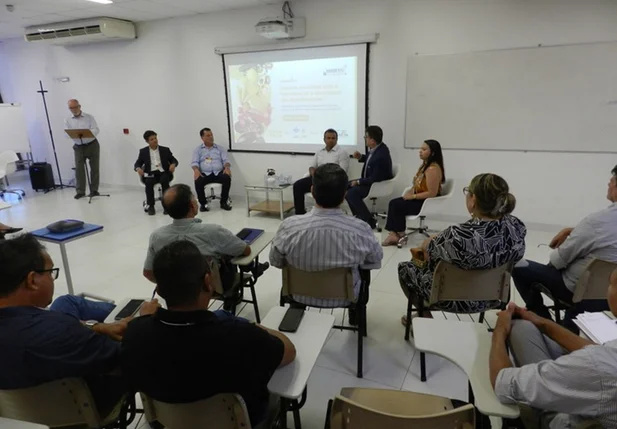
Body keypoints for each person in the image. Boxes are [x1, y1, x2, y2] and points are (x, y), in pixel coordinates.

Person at [122, 240, 296, 428]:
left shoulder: (135, 334)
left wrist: (144, 321)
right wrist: (256, 327)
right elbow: (288, 352)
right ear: (207, 281)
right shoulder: (239, 334)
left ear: (159, 291)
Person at [0, 234, 158, 410]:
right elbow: (127, 358)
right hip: (82, 406)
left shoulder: (56, 327)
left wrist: (96, 327)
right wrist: (143, 322)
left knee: (64, 301)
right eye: (50, 272)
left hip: (21, 413)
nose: (52, 279)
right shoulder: (61, 332)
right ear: (32, 281)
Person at [490, 268, 617, 428]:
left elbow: (502, 382)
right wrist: (544, 323)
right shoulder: (604, 358)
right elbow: (599, 352)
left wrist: (500, 331)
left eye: (611, 284)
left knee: (520, 327)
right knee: (528, 328)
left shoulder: (599, 368)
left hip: (567, 420)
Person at [398, 173, 526, 325]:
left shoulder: (457, 236)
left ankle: (424, 316)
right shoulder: (515, 226)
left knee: (406, 268)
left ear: (473, 201)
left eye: (468, 192)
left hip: (448, 299)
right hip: (493, 297)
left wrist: (432, 240)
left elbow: (428, 250)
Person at [513, 165, 617, 326]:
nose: (608, 185)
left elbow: (558, 260)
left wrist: (572, 237)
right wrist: (572, 231)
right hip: (609, 296)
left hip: (575, 290)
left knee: (517, 265)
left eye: (610, 181)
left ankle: (542, 320)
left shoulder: (596, 222)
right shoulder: (598, 225)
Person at [270, 163, 383, 309]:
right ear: (344, 196)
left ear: (312, 190)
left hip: (298, 294)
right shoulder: (360, 229)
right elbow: (375, 259)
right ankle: (355, 318)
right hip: (346, 297)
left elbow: (275, 261)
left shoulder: (289, 227)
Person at [382, 140, 445, 246]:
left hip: (425, 202)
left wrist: (413, 196)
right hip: (419, 198)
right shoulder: (424, 166)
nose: (420, 151)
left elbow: (431, 193)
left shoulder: (432, 169)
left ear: (433, 153)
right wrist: (411, 192)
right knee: (393, 202)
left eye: (424, 149)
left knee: (397, 205)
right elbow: (417, 184)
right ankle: (394, 233)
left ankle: (400, 234)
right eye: (421, 149)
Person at [346, 125, 393, 228]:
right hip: (370, 181)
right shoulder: (377, 149)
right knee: (346, 186)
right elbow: (370, 160)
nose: (365, 139)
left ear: (372, 140)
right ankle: (358, 217)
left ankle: (368, 221)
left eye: (365, 137)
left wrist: (358, 182)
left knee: (351, 193)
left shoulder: (381, 155)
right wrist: (361, 157)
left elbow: (375, 178)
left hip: (376, 184)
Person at [293, 129, 349, 215]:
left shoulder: (342, 152)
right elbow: (312, 166)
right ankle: (299, 214)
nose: (330, 140)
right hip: (317, 178)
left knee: (327, 189)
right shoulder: (319, 151)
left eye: (333, 138)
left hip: (333, 181)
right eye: (328, 138)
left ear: (336, 139)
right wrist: (313, 174)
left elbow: (342, 172)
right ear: (324, 139)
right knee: (297, 186)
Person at [134, 130, 179, 216]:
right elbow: (138, 163)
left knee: (165, 180)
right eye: (152, 139)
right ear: (147, 141)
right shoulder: (143, 151)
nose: (155, 140)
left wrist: (173, 164)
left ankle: (166, 205)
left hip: (163, 172)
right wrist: (138, 168)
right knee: (148, 183)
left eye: (155, 138)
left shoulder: (165, 150)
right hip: (151, 173)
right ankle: (151, 206)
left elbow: (174, 160)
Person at [64, 99, 101, 200]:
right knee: (79, 170)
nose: (73, 110)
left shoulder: (89, 117)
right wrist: (73, 134)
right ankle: (80, 191)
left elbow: (96, 129)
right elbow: (66, 133)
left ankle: (94, 190)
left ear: (79, 106)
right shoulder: (68, 120)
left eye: (75, 107)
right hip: (78, 146)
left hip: (92, 144)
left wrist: (86, 133)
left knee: (94, 168)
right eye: (71, 108)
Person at [191, 128, 232, 212]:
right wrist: (196, 170)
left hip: (218, 172)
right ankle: (203, 204)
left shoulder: (220, 148)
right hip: (205, 173)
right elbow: (194, 162)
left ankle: (223, 202)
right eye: (208, 135)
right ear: (202, 138)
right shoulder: (198, 150)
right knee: (198, 180)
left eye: (211, 135)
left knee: (227, 178)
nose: (211, 137)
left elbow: (226, 160)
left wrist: (227, 167)